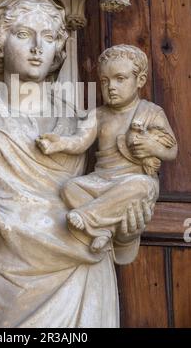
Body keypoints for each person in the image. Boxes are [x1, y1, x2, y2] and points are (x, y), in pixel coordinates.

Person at [0, 0, 154, 328]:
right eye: (24, 34)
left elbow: (110, 191)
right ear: (0, 45)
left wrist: (127, 234)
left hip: (78, 271)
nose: (36, 47)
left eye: (48, 37)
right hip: (1, 278)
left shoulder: (83, 121)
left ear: (58, 48)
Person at [36, 45, 178, 253]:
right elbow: (80, 141)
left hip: (131, 180)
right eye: (105, 81)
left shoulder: (151, 112)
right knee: (70, 188)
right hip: (101, 180)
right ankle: (105, 230)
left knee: (142, 186)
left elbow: (171, 151)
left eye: (120, 79)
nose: (111, 86)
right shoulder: (98, 115)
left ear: (140, 80)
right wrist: (59, 143)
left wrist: (152, 145)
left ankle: (89, 217)